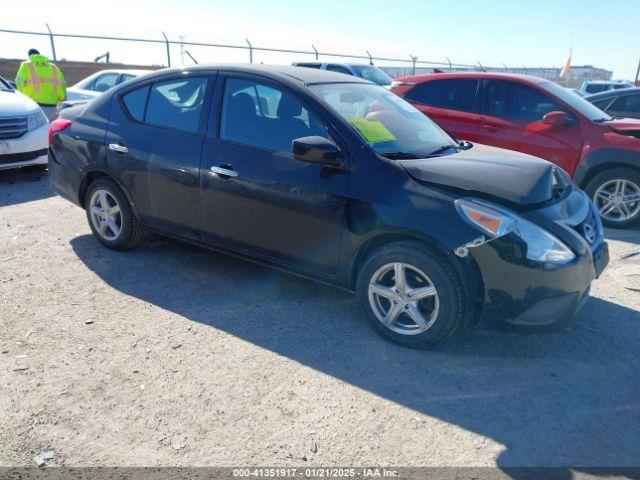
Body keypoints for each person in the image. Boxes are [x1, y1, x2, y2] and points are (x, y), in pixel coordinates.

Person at [15, 49, 66, 121]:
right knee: (50, 130)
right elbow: (62, 83)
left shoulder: (26, 65)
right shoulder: (53, 67)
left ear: (30, 56)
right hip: (52, 105)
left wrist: (20, 96)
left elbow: (19, 82)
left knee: (37, 130)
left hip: (34, 105)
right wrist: (63, 97)